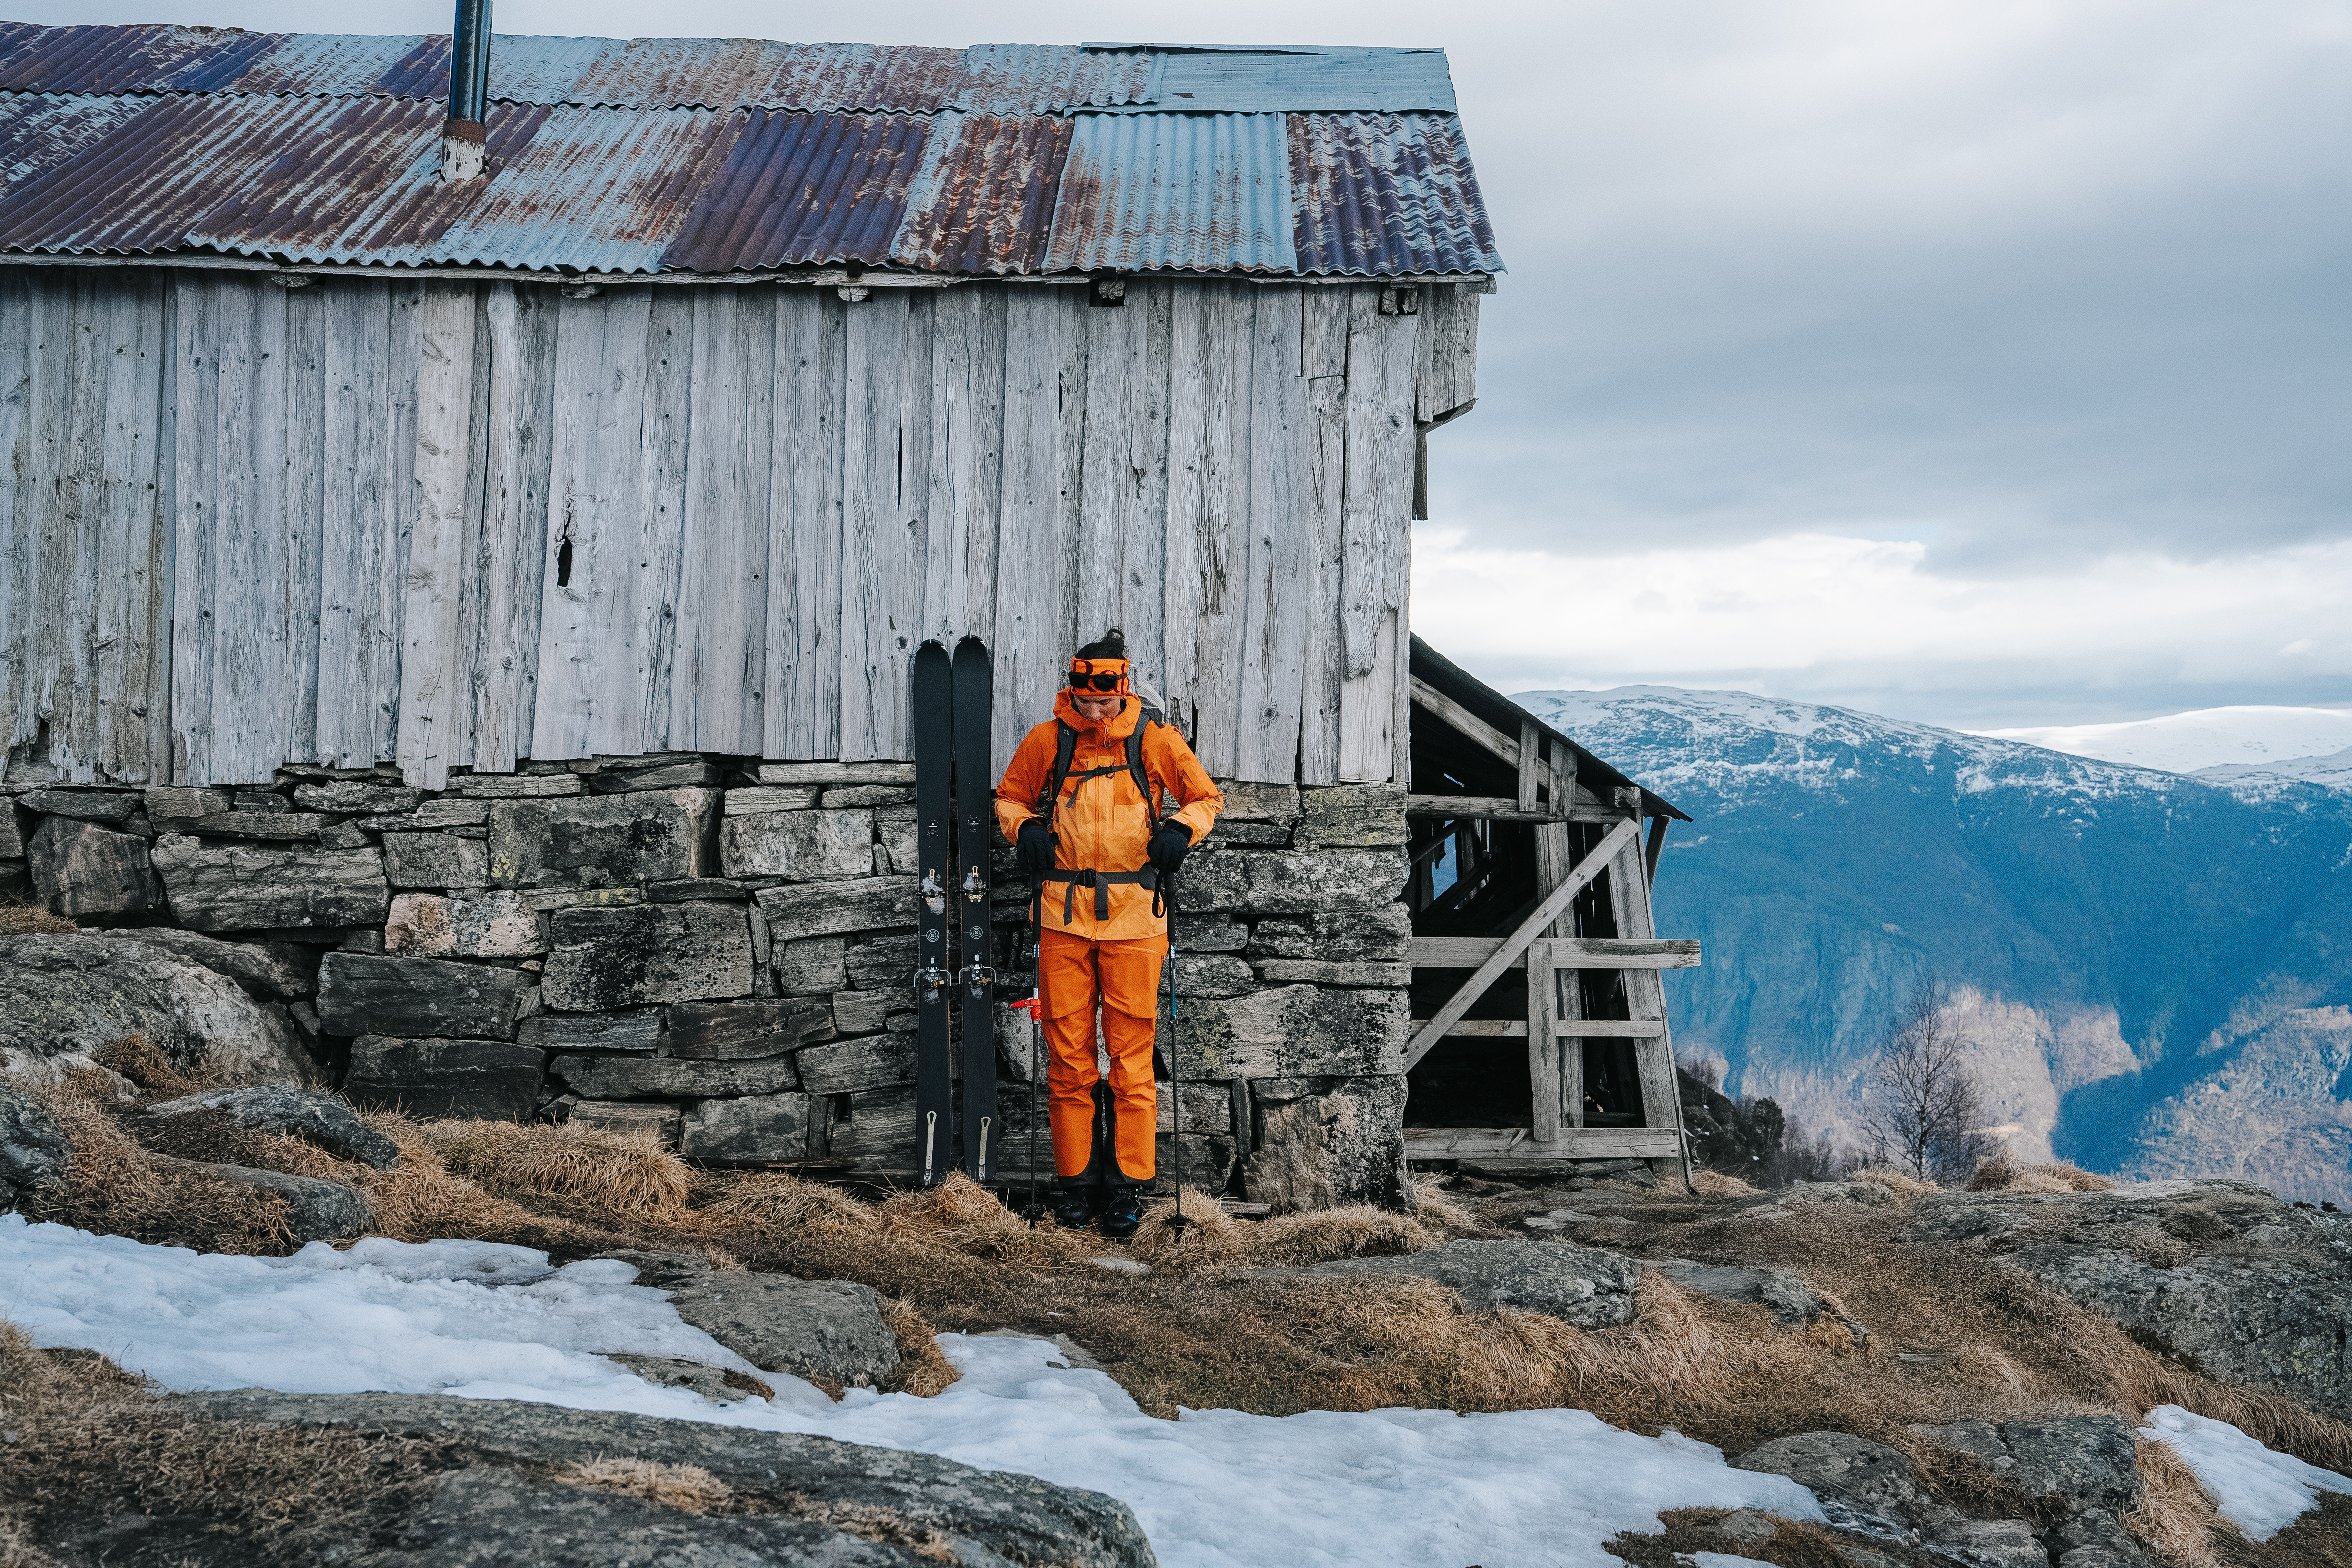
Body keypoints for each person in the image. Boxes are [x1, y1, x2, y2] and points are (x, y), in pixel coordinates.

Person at [994, 629, 1224, 1238]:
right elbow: (1011, 798)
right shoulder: (1048, 739)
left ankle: (1127, 1187)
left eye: (1104, 702)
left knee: (1131, 1057)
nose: (1095, 713)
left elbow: (1205, 798)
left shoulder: (1155, 738)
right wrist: (1025, 829)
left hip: (1137, 916)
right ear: (1072, 690)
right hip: (1061, 915)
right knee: (1068, 1057)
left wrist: (1180, 830)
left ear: (1122, 690)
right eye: (1085, 701)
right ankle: (1076, 1186)